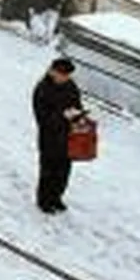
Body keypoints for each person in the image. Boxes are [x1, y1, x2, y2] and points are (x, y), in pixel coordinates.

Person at [32, 56, 86, 213]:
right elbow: (42, 118)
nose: (65, 78)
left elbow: (77, 104)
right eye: (63, 75)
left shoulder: (71, 86)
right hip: (49, 137)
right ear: (53, 71)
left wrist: (78, 114)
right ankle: (44, 201)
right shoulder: (42, 89)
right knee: (48, 170)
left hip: (67, 137)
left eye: (68, 76)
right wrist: (63, 116)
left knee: (63, 171)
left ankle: (56, 198)